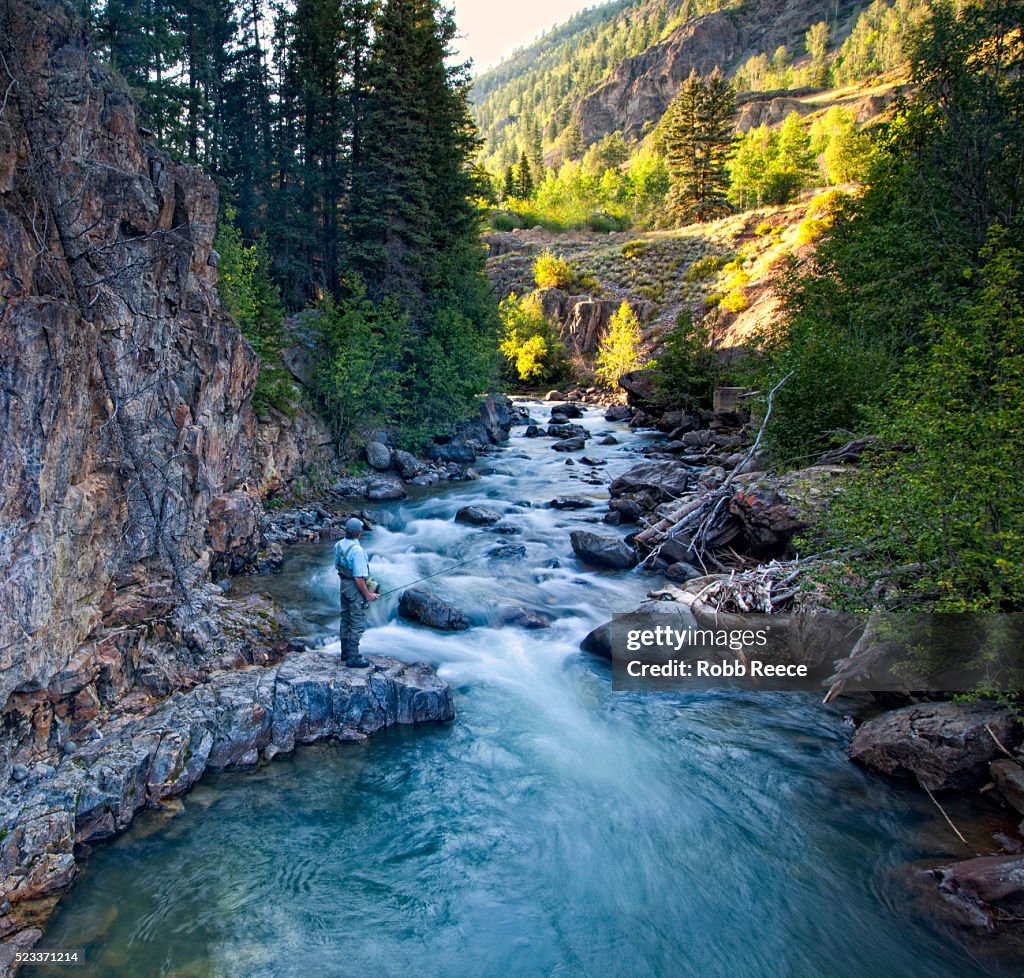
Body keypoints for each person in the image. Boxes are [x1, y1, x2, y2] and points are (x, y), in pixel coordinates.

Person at [334, 517, 379, 668]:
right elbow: (358, 578)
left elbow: (337, 566)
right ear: (359, 533)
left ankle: (344, 653)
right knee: (357, 622)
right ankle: (353, 657)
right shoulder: (357, 551)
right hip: (354, 588)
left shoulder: (339, 545)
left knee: (345, 619)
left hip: (343, 585)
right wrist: (368, 595)